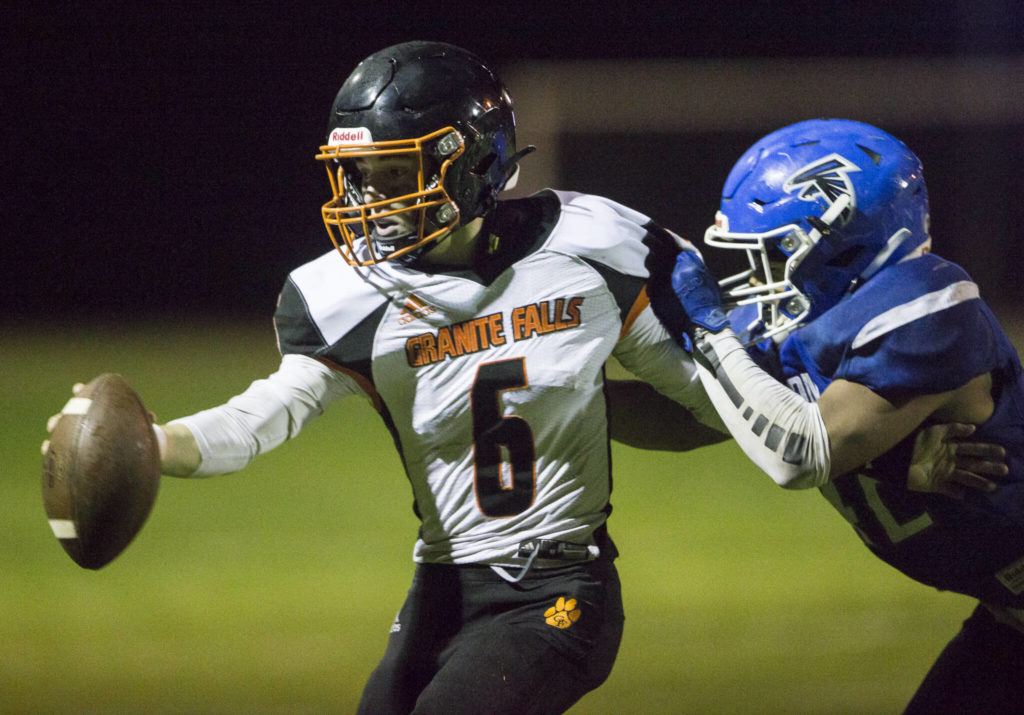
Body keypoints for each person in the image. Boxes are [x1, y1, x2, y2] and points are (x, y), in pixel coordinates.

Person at [91, 41, 729, 714]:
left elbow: (704, 395)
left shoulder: (592, 248)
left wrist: (810, 415)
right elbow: (266, 413)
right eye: (361, 174)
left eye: (394, 173)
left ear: (474, 161)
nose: (372, 198)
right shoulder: (351, 293)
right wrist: (154, 444)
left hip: (558, 584)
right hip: (443, 586)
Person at [657, 118, 1024, 713]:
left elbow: (801, 451)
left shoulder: (932, 306)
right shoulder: (805, 326)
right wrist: (572, 391)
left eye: (777, 250)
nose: (760, 275)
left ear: (846, 241)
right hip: (1006, 620)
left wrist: (709, 334)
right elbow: (686, 414)